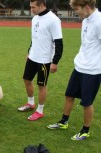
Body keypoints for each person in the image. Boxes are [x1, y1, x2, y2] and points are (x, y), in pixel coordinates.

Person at [47, 0, 101, 140]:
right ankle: (64, 122)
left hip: (92, 71)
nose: (76, 12)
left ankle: (85, 130)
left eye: (77, 9)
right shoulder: (85, 20)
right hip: (79, 67)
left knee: (86, 103)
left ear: (87, 7)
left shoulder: (99, 22)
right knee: (69, 95)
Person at [18, 0, 63, 121]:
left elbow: (59, 43)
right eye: (30, 7)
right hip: (33, 56)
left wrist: (55, 62)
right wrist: (29, 51)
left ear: (42, 5)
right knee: (27, 80)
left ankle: (40, 110)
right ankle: (30, 103)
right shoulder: (35, 18)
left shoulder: (53, 20)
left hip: (44, 59)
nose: (31, 10)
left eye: (33, 7)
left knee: (41, 85)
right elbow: (34, 37)